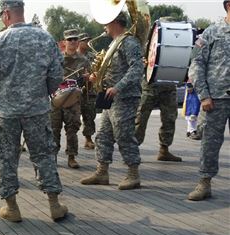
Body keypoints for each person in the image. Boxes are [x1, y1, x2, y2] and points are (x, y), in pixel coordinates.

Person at [0, 0, 68, 222]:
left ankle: (12, 208)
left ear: (6, 14)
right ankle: (54, 205)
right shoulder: (45, 37)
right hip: (37, 109)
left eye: (1, 16)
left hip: (7, 113)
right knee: (44, 155)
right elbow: (57, 75)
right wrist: (41, 92)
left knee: (7, 158)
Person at [80, 12, 143, 190]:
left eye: (106, 23)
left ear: (115, 22)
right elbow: (114, 69)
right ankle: (102, 172)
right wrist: (97, 77)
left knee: (124, 135)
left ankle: (133, 174)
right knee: (103, 136)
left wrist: (118, 87)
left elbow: (137, 68)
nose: (104, 27)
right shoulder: (114, 44)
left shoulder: (129, 42)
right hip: (111, 98)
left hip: (124, 97)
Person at [187, 0, 230, 201]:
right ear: (228, 5)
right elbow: (196, 64)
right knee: (210, 144)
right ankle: (204, 183)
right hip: (216, 99)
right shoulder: (211, 33)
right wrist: (203, 95)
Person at [134, 17, 183, 162]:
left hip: (169, 86)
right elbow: (137, 60)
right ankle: (132, 150)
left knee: (169, 118)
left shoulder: (178, 43)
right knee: (140, 118)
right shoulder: (148, 41)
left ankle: (164, 149)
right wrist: (142, 61)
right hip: (150, 86)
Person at [51, 28, 89, 169]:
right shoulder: (56, 59)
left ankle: (71, 156)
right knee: (54, 128)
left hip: (73, 99)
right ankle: (52, 156)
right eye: (70, 39)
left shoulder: (84, 60)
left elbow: (89, 79)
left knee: (72, 128)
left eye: (75, 39)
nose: (73, 42)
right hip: (56, 98)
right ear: (64, 42)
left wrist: (87, 79)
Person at [78, 32, 97, 149]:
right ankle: (71, 141)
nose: (88, 42)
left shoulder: (92, 56)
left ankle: (88, 139)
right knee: (71, 118)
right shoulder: (73, 56)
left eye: (89, 40)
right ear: (79, 42)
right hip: (75, 91)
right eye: (85, 40)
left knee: (90, 114)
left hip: (90, 90)